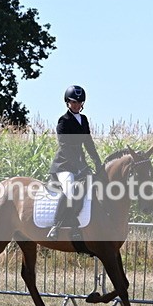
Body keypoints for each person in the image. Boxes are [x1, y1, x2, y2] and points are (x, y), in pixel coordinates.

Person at [47, 85, 103, 240]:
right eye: (73, 102)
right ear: (67, 102)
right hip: (64, 166)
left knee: (91, 190)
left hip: (80, 165)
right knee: (70, 189)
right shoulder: (63, 121)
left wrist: (98, 162)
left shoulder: (83, 120)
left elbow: (88, 143)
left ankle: (76, 224)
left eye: (79, 102)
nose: (76, 105)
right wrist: (82, 167)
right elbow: (65, 148)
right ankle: (56, 226)